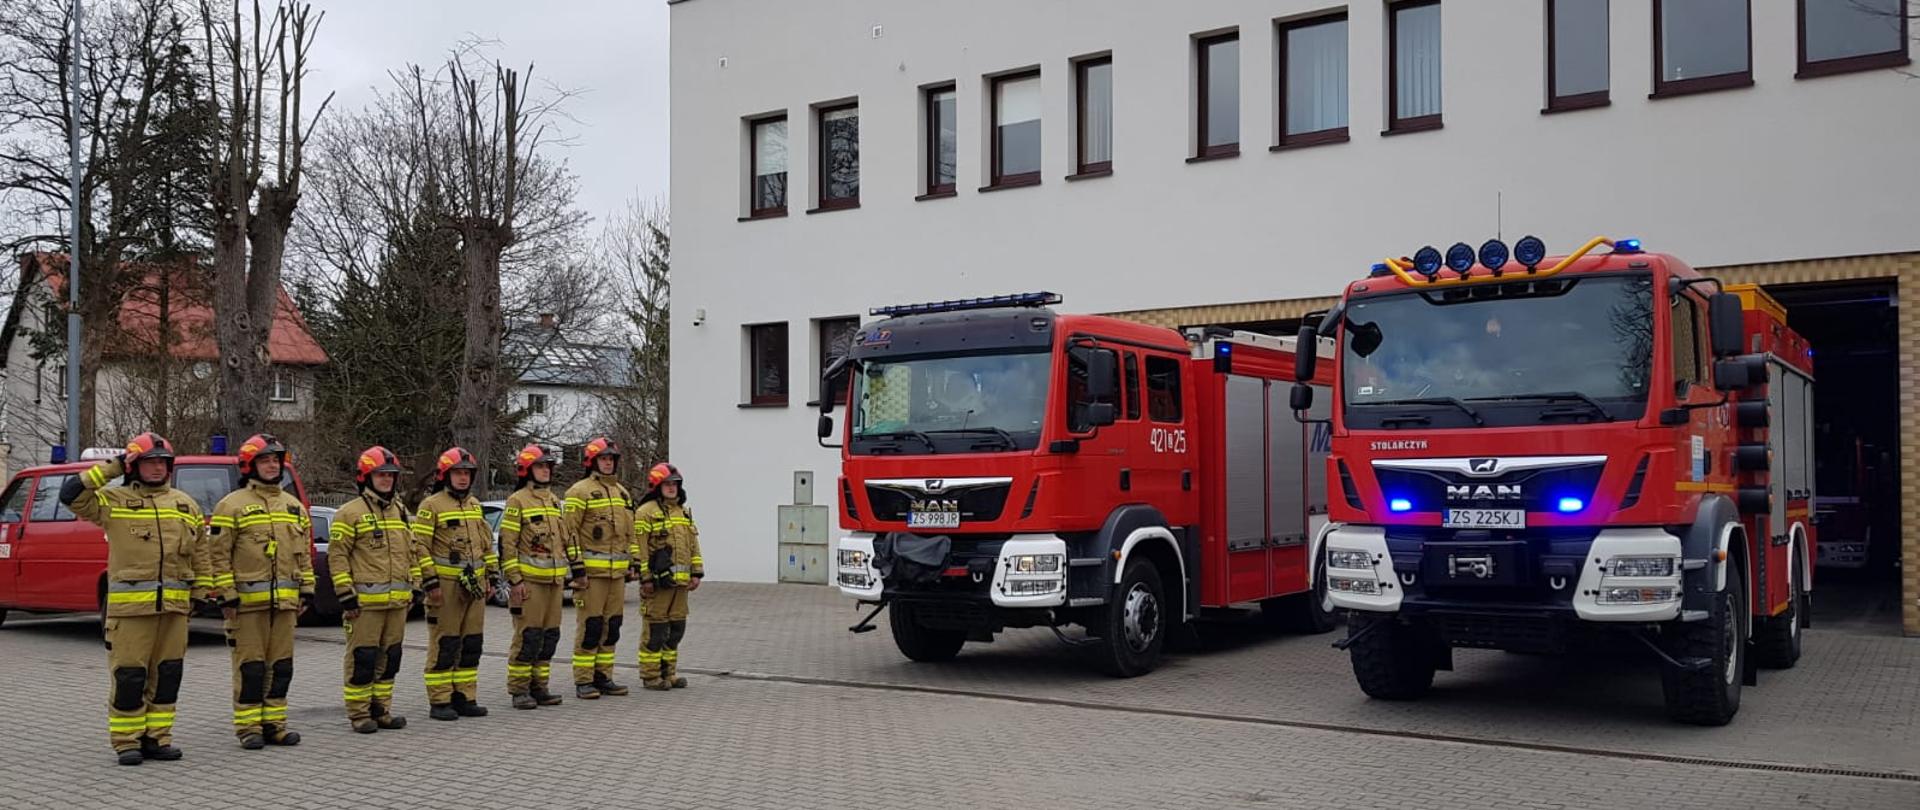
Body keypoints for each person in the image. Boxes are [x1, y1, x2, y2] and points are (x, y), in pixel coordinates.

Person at [62, 433, 205, 765]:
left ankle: (157, 739)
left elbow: (201, 554)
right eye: (148, 462)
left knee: (168, 675)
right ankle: (127, 741)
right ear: (134, 466)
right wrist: (113, 468)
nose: (156, 468)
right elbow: (71, 494)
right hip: (129, 613)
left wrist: (199, 594)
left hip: (173, 610)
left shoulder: (186, 504)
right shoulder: (114, 501)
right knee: (129, 677)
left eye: (161, 462)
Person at [207, 434, 314, 750]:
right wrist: (225, 594)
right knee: (251, 669)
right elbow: (217, 555)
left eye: (275, 460)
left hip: (284, 606)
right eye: (264, 460)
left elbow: (303, 555)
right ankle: (249, 728)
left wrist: (306, 591)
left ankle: (275, 725)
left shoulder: (294, 507)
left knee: (281, 668)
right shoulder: (231, 506)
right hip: (246, 608)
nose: (271, 465)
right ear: (249, 466)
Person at [327, 446, 421, 733]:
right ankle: (359, 714)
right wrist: (345, 594)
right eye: (380, 475)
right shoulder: (349, 513)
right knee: (363, 658)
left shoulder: (402, 512)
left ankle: (382, 709)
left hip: (397, 603)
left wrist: (415, 587)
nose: (386, 480)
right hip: (364, 604)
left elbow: (412, 551)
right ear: (366, 477)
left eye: (391, 476)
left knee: (390, 658)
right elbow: (338, 557)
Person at [414, 447, 497, 721]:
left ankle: (465, 696)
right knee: (445, 643)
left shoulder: (474, 506)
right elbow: (420, 548)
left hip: (474, 588)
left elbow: (486, 546)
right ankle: (440, 700)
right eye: (457, 473)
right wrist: (430, 583)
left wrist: (492, 577)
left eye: (466, 473)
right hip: (445, 588)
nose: (463, 478)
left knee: (471, 643)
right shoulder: (431, 506)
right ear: (444, 475)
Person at [561, 436, 639, 699]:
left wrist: (633, 564)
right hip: (591, 577)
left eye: (611, 459)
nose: (607, 463)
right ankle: (583, 680)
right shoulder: (578, 492)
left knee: (612, 626)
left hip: (617, 575)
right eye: (603, 459)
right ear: (592, 462)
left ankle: (604, 676)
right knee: (591, 626)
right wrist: (577, 570)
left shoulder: (622, 493)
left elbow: (631, 534)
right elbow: (568, 533)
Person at [498, 444, 570, 709]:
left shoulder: (553, 501)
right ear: (527, 470)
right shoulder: (517, 500)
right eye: (540, 466)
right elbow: (507, 544)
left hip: (554, 582)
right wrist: (515, 581)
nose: (545, 470)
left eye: (547, 466)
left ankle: (540, 686)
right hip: (529, 583)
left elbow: (563, 540)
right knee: (528, 636)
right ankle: (519, 689)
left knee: (549, 636)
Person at [634, 463, 704, 691]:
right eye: (667, 484)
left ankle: (669, 673)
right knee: (655, 632)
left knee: (675, 630)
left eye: (675, 484)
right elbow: (639, 548)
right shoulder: (645, 512)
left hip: (680, 585)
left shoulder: (684, 512)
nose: (672, 488)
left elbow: (693, 545)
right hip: (657, 584)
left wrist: (696, 572)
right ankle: (651, 676)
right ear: (657, 485)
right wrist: (645, 579)